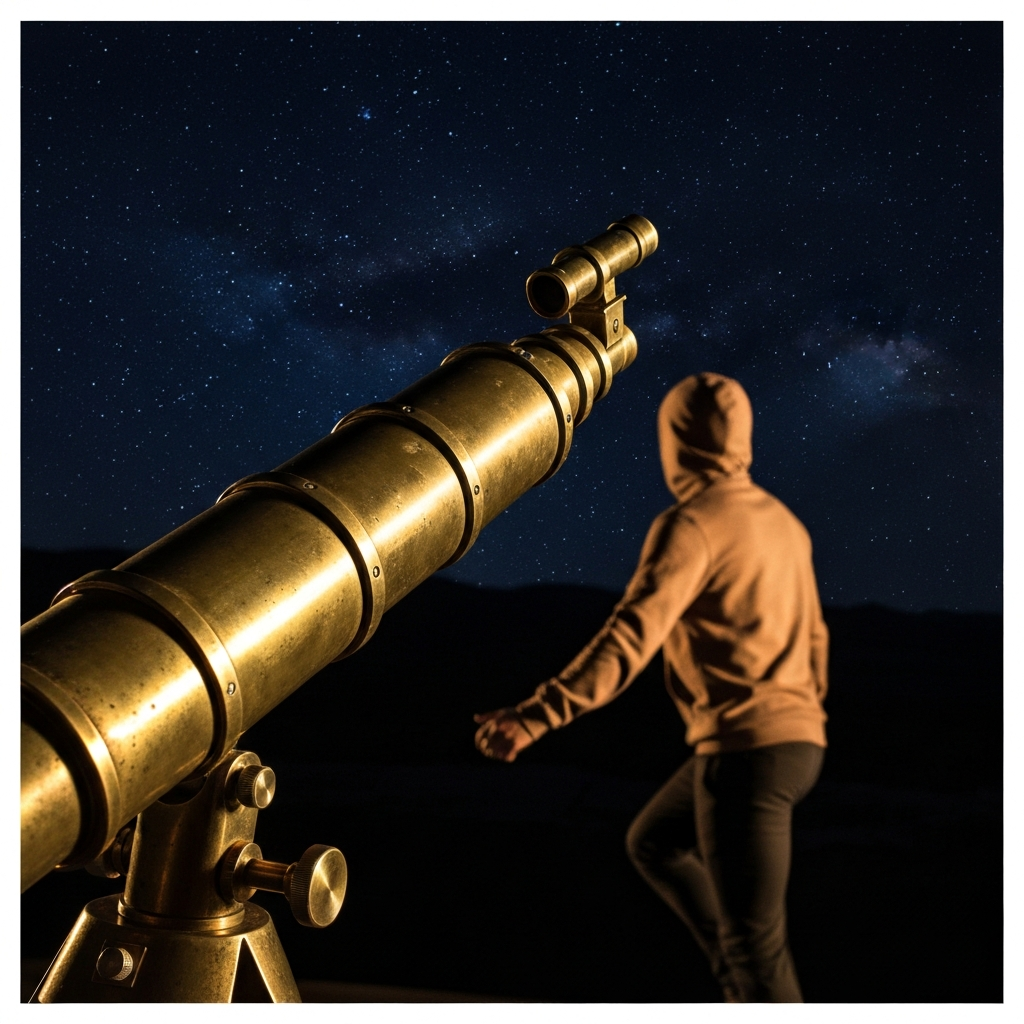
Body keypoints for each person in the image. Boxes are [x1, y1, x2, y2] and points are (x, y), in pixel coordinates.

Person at [473, 372, 828, 1003]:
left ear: (677, 442)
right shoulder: (787, 525)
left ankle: (743, 980)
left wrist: (535, 716)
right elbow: (817, 639)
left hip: (746, 753)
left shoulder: (694, 525)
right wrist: (800, 712)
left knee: (757, 946)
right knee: (655, 842)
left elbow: (628, 639)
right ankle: (736, 980)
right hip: (800, 746)